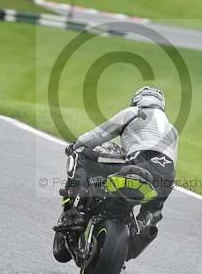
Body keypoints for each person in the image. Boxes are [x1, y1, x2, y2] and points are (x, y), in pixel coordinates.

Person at [58, 86, 178, 230]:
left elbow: (100, 134)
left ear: (137, 100)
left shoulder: (134, 112)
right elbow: (171, 162)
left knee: (81, 155)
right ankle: (147, 217)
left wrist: (76, 144)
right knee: (150, 215)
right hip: (167, 177)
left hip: (139, 162)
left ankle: (76, 212)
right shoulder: (172, 129)